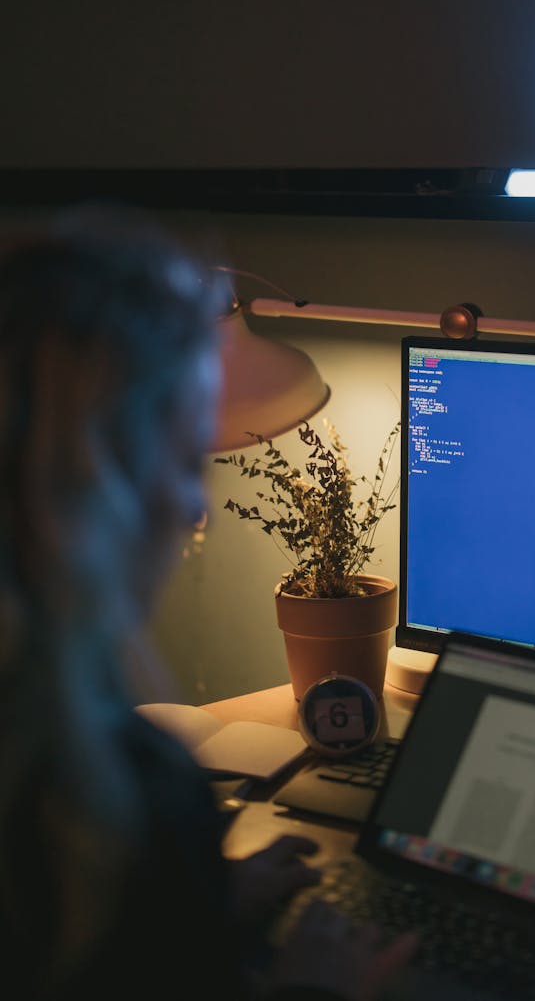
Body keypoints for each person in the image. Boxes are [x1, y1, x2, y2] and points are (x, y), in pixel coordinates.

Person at [0, 210, 417, 1000]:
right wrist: (310, 993)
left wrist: (184, 907)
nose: (198, 508)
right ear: (100, 486)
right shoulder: (111, 792)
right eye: (188, 459)